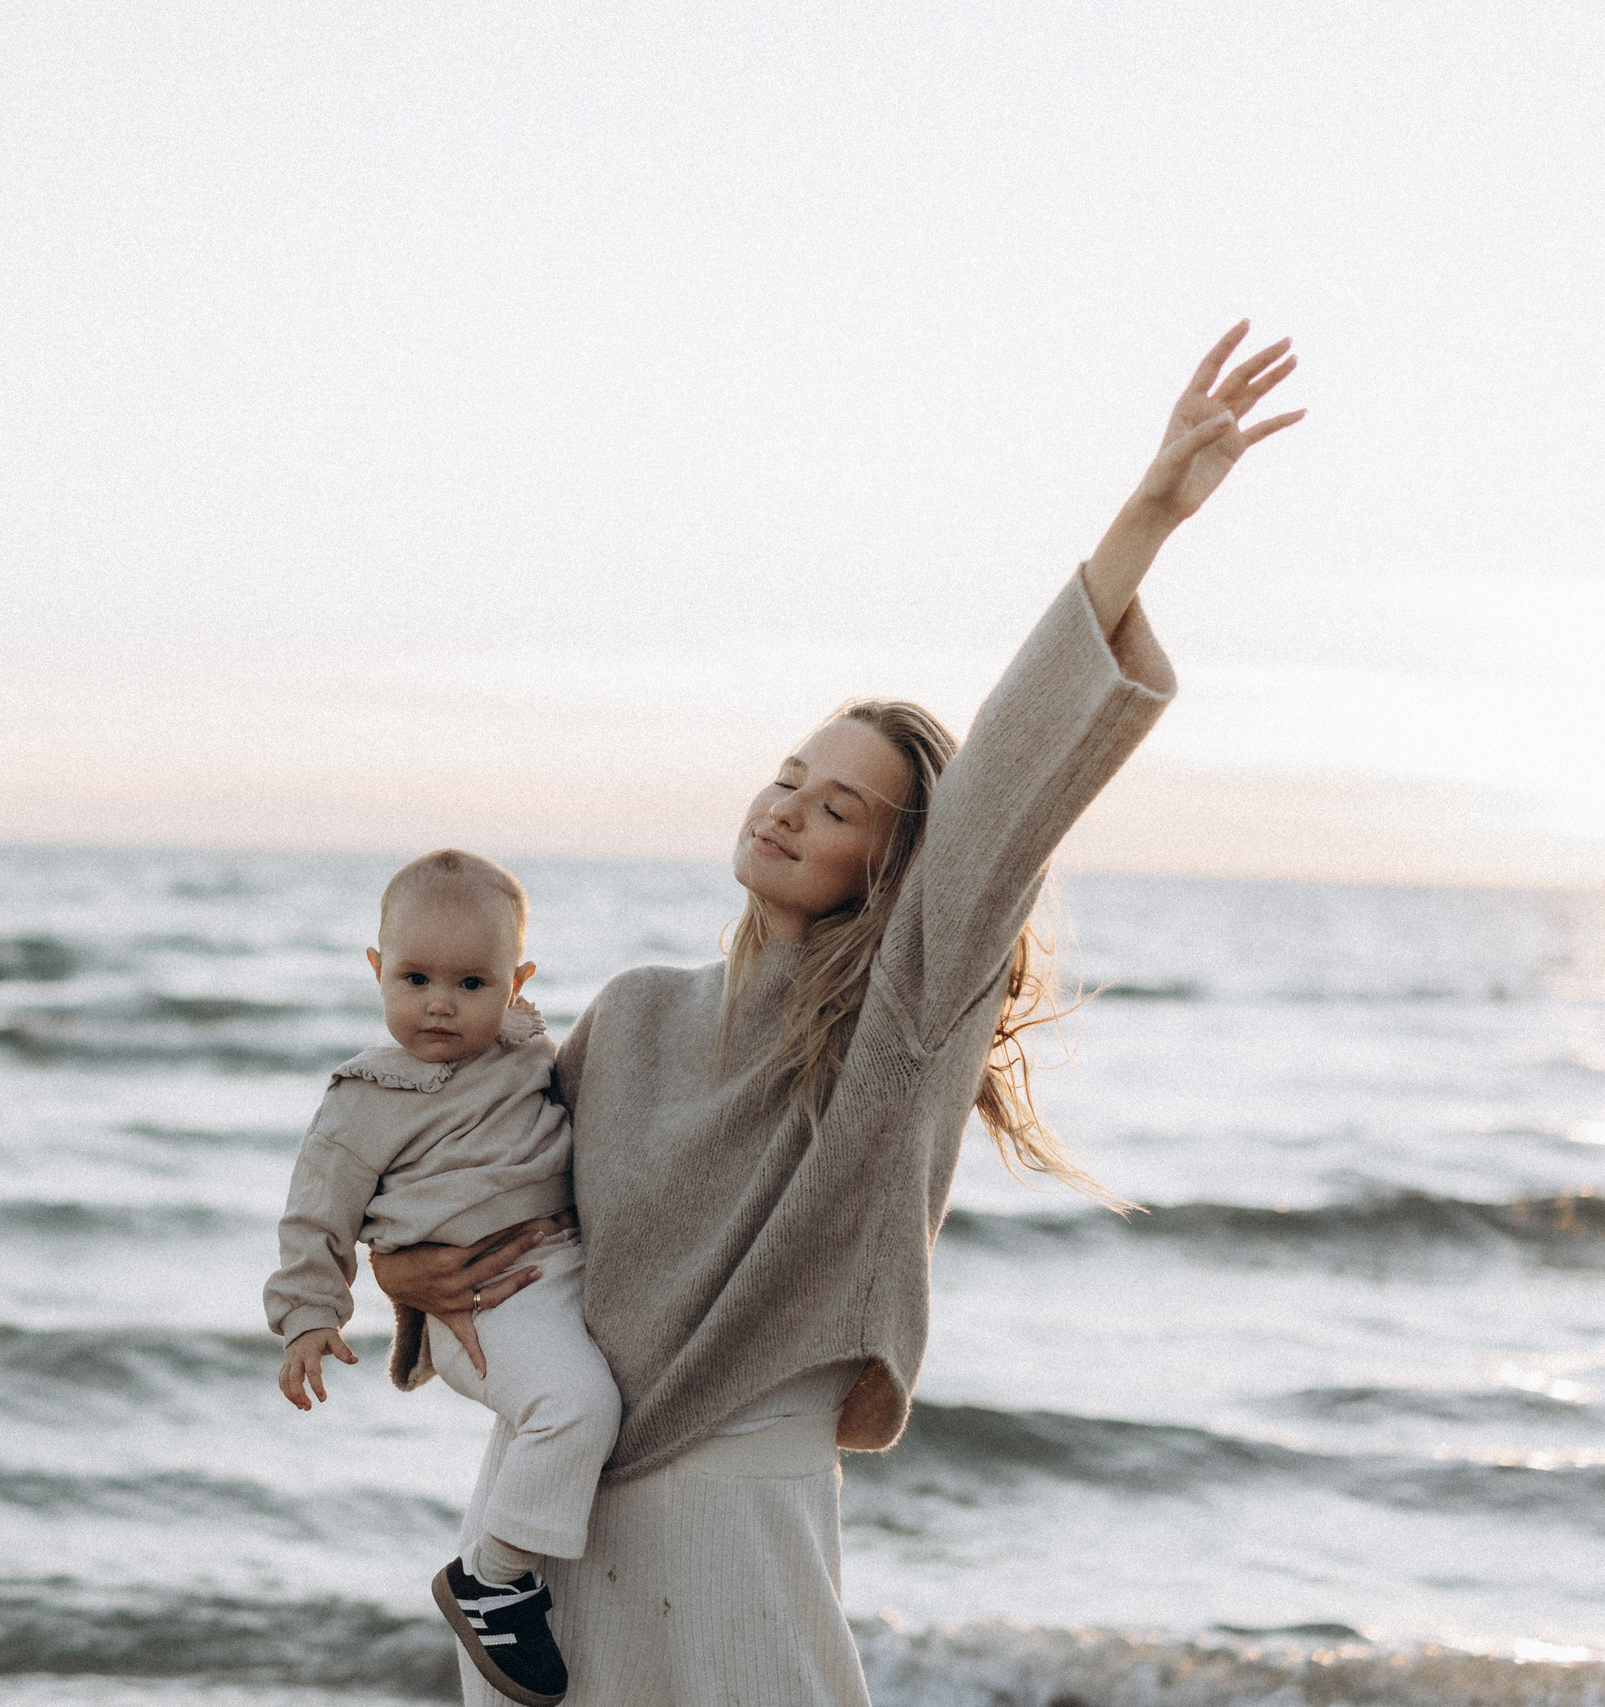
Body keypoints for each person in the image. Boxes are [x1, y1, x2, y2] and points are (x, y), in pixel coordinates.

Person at [373, 322, 1305, 1705]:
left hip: (733, 1509)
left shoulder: (896, 1028)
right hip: (538, 1522)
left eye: (840, 804)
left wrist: (1145, 520)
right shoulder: (626, 1015)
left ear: (894, 861)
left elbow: (997, 803)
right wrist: (402, 1275)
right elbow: (495, 1187)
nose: (790, 805)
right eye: (790, 773)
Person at [263, 848, 620, 1707]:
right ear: (377, 971)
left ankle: (548, 1589)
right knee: (578, 1406)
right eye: (416, 977)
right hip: (481, 1307)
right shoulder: (367, 1095)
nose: (439, 1003)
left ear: (516, 982)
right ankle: (493, 1579)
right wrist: (310, 1314)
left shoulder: (528, 1052)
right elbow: (318, 1212)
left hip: (563, 1270)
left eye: (471, 983)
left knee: (612, 1403)